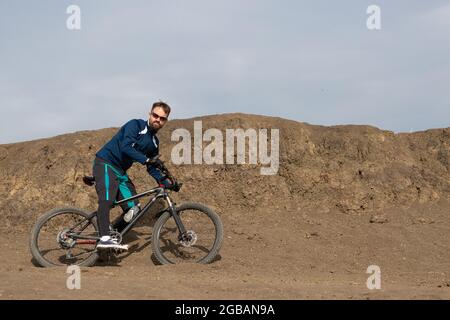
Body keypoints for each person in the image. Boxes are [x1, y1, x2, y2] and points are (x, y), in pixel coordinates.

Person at [93, 101, 172, 250]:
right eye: (156, 115)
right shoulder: (135, 125)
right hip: (106, 163)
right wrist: (146, 159)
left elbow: (151, 167)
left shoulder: (154, 142)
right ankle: (104, 238)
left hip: (120, 172)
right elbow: (125, 147)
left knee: (134, 209)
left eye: (162, 118)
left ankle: (112, 234)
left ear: (165, 121)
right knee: (107, 200)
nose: (158, 119)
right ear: (150, 114)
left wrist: (166, 182)